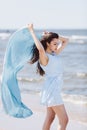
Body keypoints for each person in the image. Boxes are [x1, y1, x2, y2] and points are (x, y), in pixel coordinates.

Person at [28, 24, 69, 130]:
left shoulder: (54, 53)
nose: (57, 46)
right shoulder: (45, 57)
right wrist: (32, 31)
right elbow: (41, 49)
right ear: (47, 43)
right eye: (54, 43)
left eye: (57, 44)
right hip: (52, 91)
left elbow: (67, 40)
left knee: (50, 117)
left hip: (52, 89)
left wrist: (52, 35)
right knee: (64, 120)